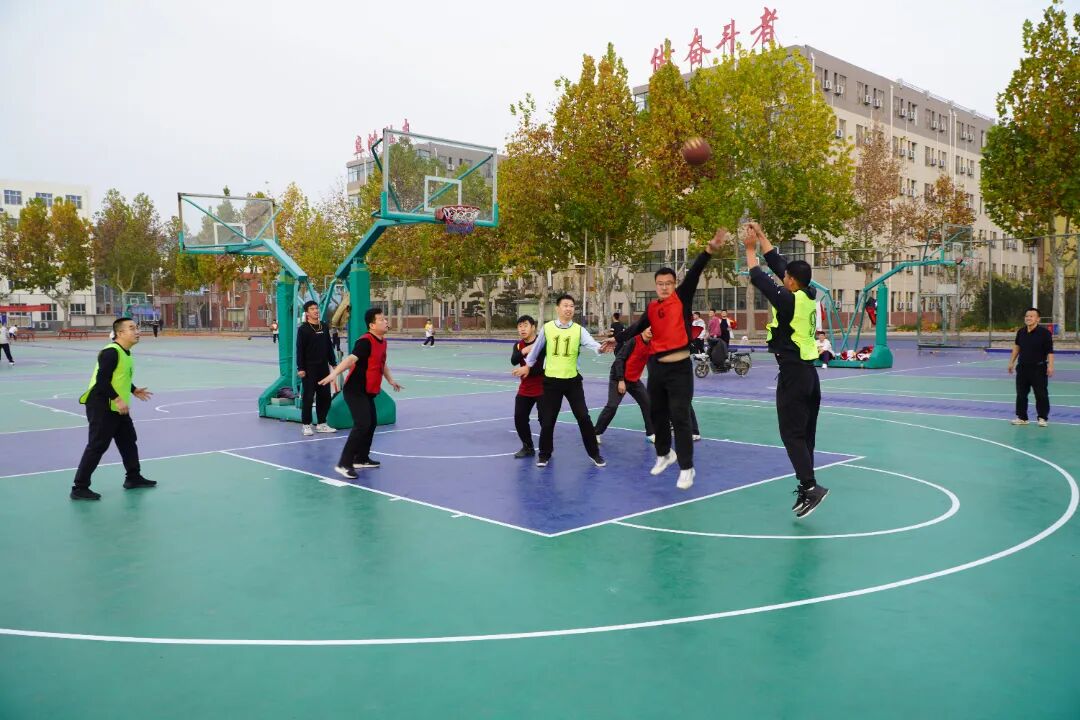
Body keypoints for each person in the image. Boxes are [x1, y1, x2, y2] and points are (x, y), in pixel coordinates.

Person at [615, 229, 726, 490]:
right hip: (657, 368)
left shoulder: (681, 298)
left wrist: (708, 250)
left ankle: (687, 468)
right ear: (656, 286)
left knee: (680, 416)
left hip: (679, 369)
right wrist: (615, 339)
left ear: (674, 284)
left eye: (668, 283)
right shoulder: (653, 307)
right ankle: (665, 454)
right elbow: (636, 327)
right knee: (657, 414)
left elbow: (695, 272)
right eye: (660, 283)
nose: (664, 287)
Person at [744, 222, 828, 518]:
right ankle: (807, 486)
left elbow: (758, 276)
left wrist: (750, 248)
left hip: (794, 374)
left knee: (791, 434)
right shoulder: (808, 293)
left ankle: (811, 486)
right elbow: (777, 263)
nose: (784, 278)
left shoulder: (787, 299)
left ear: (791, 281)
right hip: (809, 375)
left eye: (786, 277)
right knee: (805, 435)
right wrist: (762, 235)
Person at [513, 294, 611, 468]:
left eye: (571, 306)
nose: (569, 309)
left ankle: (594, 454)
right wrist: (528, 366)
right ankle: (544, 455)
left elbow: (593, 344)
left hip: (573, 381)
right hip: (551, 382)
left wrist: (601, 349)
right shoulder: (548, 328)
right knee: (548, 420)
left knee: (584, 417)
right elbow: (536, 350)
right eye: (565, 305)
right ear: (558, 308)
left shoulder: (579, 330)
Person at [69, 318, 156, 500]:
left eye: (137, 328)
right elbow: (102, 380)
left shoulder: (126, 353)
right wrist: (117, 399)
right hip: (101, 405)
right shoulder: (111, 352)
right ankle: (79, 487)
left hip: (117, 406)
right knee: (97, 445)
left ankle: (133, 478)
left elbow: (118, 377)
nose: (137, 331)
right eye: (132, 328)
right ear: (120, 333)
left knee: (128, 441)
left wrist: (133, 390)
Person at [320, 307, 403, 479]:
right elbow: (351, 359)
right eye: (381, 319)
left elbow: (381, 364)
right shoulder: (365, 342)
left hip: (368, 391)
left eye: (385, 318)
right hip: (355, 390)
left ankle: (361, 458)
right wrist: (334, 373)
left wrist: (390, 380)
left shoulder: (382, 342)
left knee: (371, 423)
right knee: (362, 424)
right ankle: (344, 463)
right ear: (372, 325)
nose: (386, 321)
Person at [595, 327, 656, 444]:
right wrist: (621, 380)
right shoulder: (633, 341)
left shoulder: (653, 343)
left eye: (653, 329)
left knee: (647, 404)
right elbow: (619, 360)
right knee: (612, 406)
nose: (650, 330)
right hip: (618, 377)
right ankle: (596, 433)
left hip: (634, 379)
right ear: (643, 329)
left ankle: (650, 433)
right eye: (647, 328)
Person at [296, 300, 338, 437]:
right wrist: (301, 368)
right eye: (312, 309)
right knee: (308, 397)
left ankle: (321, 424)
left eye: (316, 308)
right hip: (309, 369)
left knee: (325, 396)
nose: (316, 311)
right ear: (307, 313)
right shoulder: (303, 329)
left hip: (323, 368)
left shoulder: (324, 326)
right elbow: (300, 350)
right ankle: (306, 425)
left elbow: (329, 346)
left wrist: (333, 363)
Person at [1008, 307, 1054, 427]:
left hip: (1039, 368)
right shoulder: (1021, 332)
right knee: (1021, 394)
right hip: (1022, 368)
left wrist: (1050, 366)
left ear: (1038, 319)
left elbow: (1050, 351)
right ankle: (1022, 417)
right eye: (1027, 316)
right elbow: (1017, 347)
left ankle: (1042, 418)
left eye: (1031, 316)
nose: (1028, 318)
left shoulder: (1044, 333)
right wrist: (1011, 362)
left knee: (1041, 394)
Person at [510, 315, 544, 458]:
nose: (522, 329)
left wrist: (528, 370)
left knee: (544, 420)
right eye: (520, 326)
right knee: (519, 417)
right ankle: (528, 447)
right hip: (525, 388)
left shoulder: (542, 343)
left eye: (525, 325)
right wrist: (525, 350)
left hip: (543, 388)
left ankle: (546, 449)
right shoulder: (518, 345)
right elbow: (513, 360)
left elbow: (543, 366)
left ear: (533, 327)